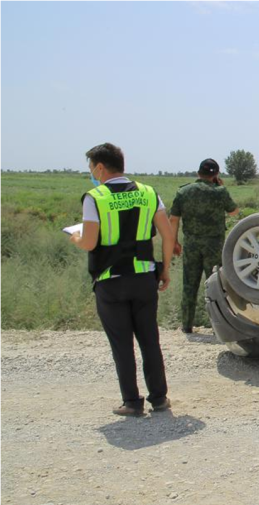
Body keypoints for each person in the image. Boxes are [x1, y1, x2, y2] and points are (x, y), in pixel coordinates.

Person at [70, 143, 174, 416]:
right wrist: (165, 270)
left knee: (122, 344)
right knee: (150, 340)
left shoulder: (95, 198)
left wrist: (77, 238)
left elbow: (91, 241)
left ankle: (131, 402)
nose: (92, 173)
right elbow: (168, 235)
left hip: (111, 280)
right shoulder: (149, 193)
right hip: (143, 277)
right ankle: (160, 399)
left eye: (92, 168)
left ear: (100, 167)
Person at [169, 158, 239, 333]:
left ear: (198, 173)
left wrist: (174, 242)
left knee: (189, 285)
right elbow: (234, 211)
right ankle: (219, 328)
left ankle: (186, 325)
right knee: (216, 286)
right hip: (214, 245)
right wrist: (220, 187)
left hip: (191, 244)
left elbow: (173, 219)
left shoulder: (183, 192)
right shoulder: (220, 191)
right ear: (215, 175)